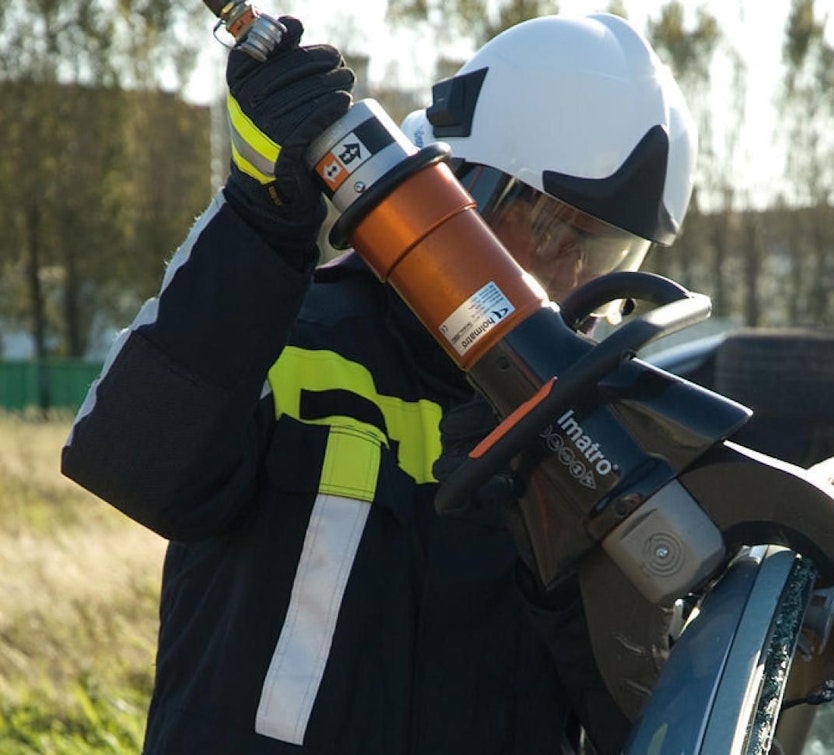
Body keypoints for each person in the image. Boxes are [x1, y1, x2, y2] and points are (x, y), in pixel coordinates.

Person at [62, 11, 696, 755]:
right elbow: (133, 460)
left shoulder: (597, 440)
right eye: (554, 228)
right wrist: (258, 224)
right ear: (457, 188)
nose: (572, 278)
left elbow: (647, 709)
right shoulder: (288, 330)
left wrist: (553, 518)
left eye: (609, 251)